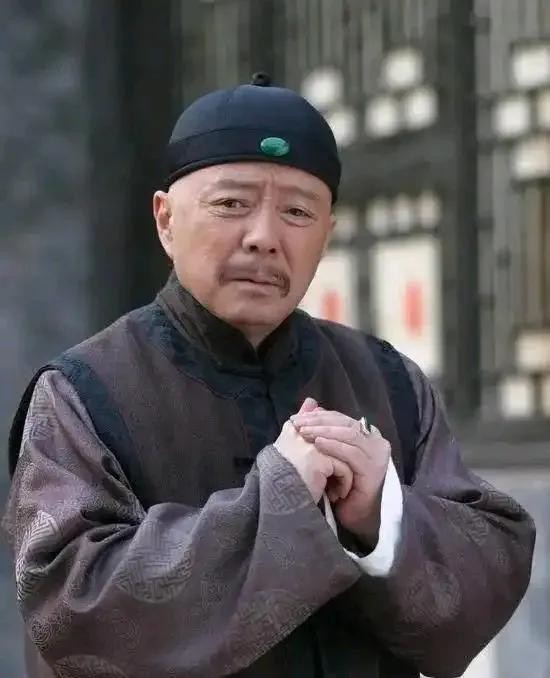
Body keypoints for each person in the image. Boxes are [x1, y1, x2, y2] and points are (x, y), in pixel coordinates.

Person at [3, 73, 535, 678]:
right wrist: (281, 498)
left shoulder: (388, 381)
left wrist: (382, 515)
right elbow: (72, 611)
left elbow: (492, 557)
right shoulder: (82, 392)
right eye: (231, 204)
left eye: (297, 212)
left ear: (327, 234)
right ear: (166, 220)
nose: (264, 238)